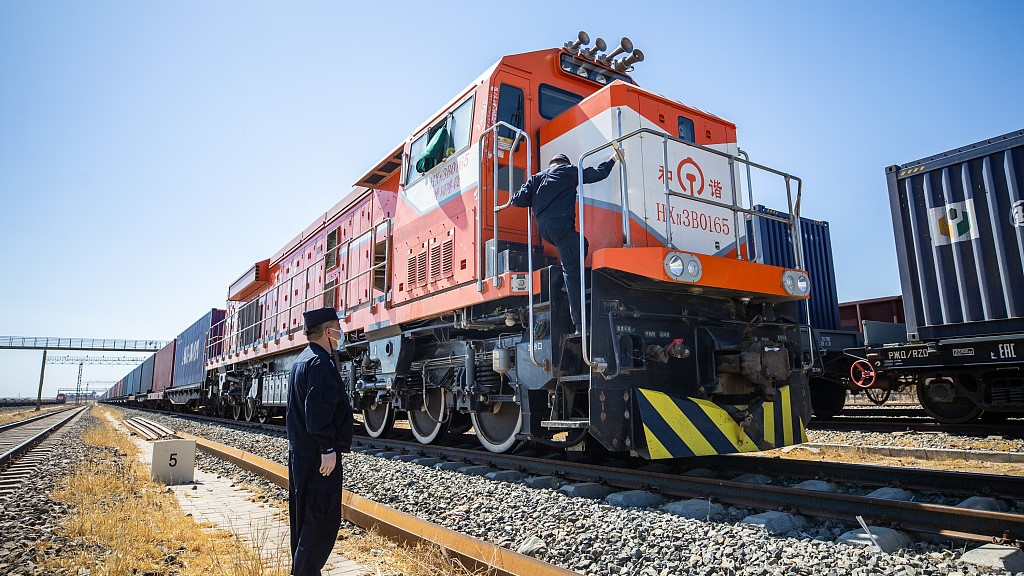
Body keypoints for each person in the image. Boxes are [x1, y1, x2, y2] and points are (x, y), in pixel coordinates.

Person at [511, 150, 619, 334]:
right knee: (573, 270)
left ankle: (568, 278)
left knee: (579, 243)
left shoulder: (536, 178)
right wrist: (612, 160)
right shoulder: (568, 171)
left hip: (545, 231)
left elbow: (516, 200)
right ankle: (579, 325)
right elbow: (597, 174)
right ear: (564, 163)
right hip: (560, 228)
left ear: (552, 163)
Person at [286, 306, 354, 576]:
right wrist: (327, 448)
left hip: (300, 454)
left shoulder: (302, 360)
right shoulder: (321, 364)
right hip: (318, 457)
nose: (341, 332)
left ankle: (303, 571)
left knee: (303, 519)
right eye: (338, 327)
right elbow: (318, 410)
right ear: (328, 331)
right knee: (321, 522)